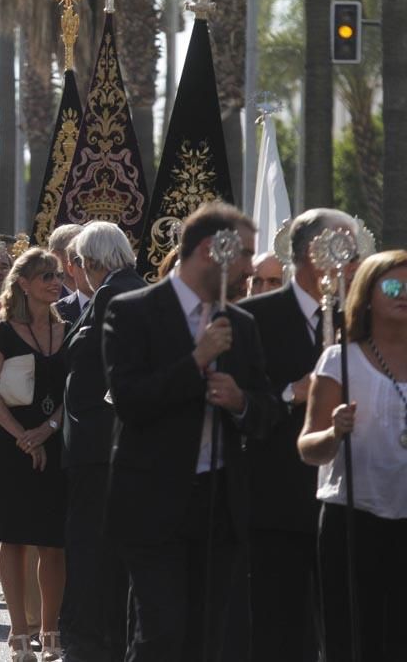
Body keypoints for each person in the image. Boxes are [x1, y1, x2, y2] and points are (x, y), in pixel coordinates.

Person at [102, 202, 274, 661]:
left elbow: (265, 411)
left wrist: (240, 402)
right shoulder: (132, 312)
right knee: (161, 632)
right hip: (152, 500)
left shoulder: (241, 324)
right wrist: (195, 361)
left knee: (206, 635)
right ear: (209, 249)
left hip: (217, 500)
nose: (249, 267)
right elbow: (131, 401)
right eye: (244, 254)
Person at [236, 208, 358, 661]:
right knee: (276, 626)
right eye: (343, 248)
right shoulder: (252, 317)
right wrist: (292, 394)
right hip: (276, 497)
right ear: (312, 253)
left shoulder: (362, 320)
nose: (352, 260)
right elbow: (238, 404)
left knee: (343, 626)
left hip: (350, 501)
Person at [298, 249, 407, 662]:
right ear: (368, 294)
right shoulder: (341, 360)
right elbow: (308, 448)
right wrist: (334, 431)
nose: (405, 295)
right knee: (354, 639)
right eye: (394, 286)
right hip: (354, 517)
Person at [60, 221, 146, 661]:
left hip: (102, 447)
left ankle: (94, 639)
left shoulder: (115, 295)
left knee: (94, 548)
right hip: (101, 445)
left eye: (76, 263)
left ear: (90, 261)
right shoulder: (124, 290)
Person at [0, 248, 68, 661]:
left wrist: (46, 430)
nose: (54, 281)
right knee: (12, 537)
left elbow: (73, 391)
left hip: (54, 443)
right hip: (8, 449)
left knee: (53, 542)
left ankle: (50, 634)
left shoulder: (68, 330)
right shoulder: (5, 331)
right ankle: (18, 635)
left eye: (57, 274)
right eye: (45, 275)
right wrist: (23, 436)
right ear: (25, 284)